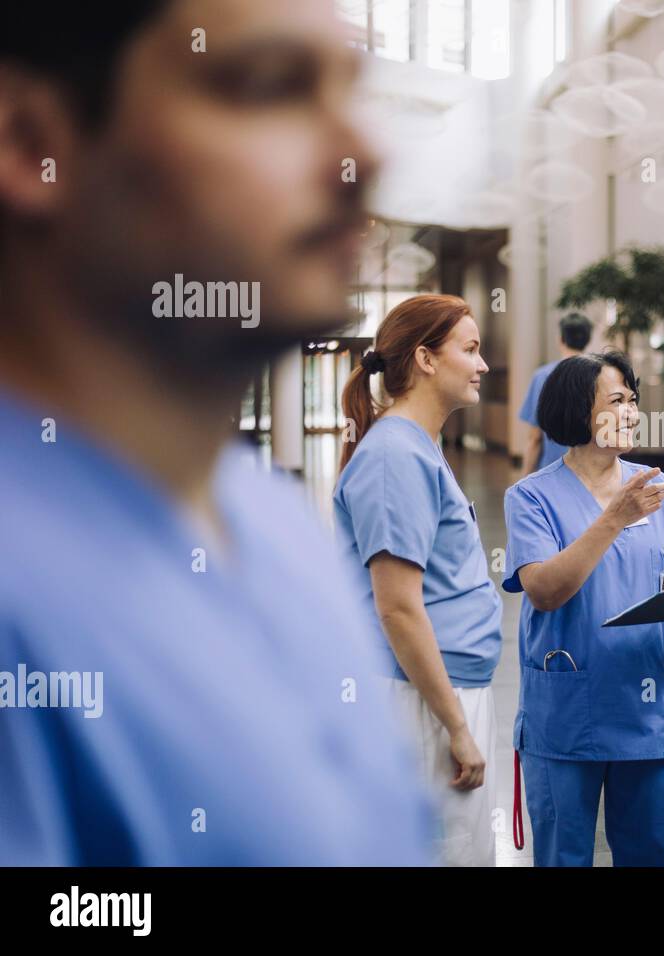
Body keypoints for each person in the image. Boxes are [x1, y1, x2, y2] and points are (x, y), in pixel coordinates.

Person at [0, 0, 432, 863]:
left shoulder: (273, 524)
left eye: (354, 86)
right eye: (269, 87)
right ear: (30, 143)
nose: (367, 151)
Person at [503, 351, 664, 866]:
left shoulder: (660, 490)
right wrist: (613, 519)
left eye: (633, 400)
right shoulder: (531, 498)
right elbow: (545, 591)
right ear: (578, 411)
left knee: (652, 853)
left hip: (648, 708)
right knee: (564, 855)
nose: (631, 412)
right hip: (567, 713)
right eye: (616, 401)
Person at [333, 294, 503, 867]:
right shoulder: (394, 458)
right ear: (427, 359)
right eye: (471, 349)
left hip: (444, 689)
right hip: (425, 701)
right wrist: (455, 725)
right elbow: (398, 608)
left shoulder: (417, 447)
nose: (483, 365)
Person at [519, 312, 593, 474]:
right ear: (588, 340)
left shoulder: (544, 376)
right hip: (591, 473)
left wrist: (524, 480)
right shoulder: (599, 376)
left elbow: (535, 438)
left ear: (561, 339)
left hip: (552, 473)